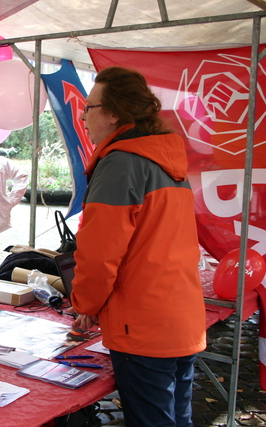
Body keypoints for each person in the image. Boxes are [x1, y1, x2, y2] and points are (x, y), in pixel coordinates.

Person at [70, 67, 206, 427]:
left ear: (114, 113)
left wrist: (85, 305)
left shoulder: (120, 162)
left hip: (143, 326)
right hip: (181, 318)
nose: (83, 116)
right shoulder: (165, 159)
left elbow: (99, 255)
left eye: (89, 107)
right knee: (177, 419)